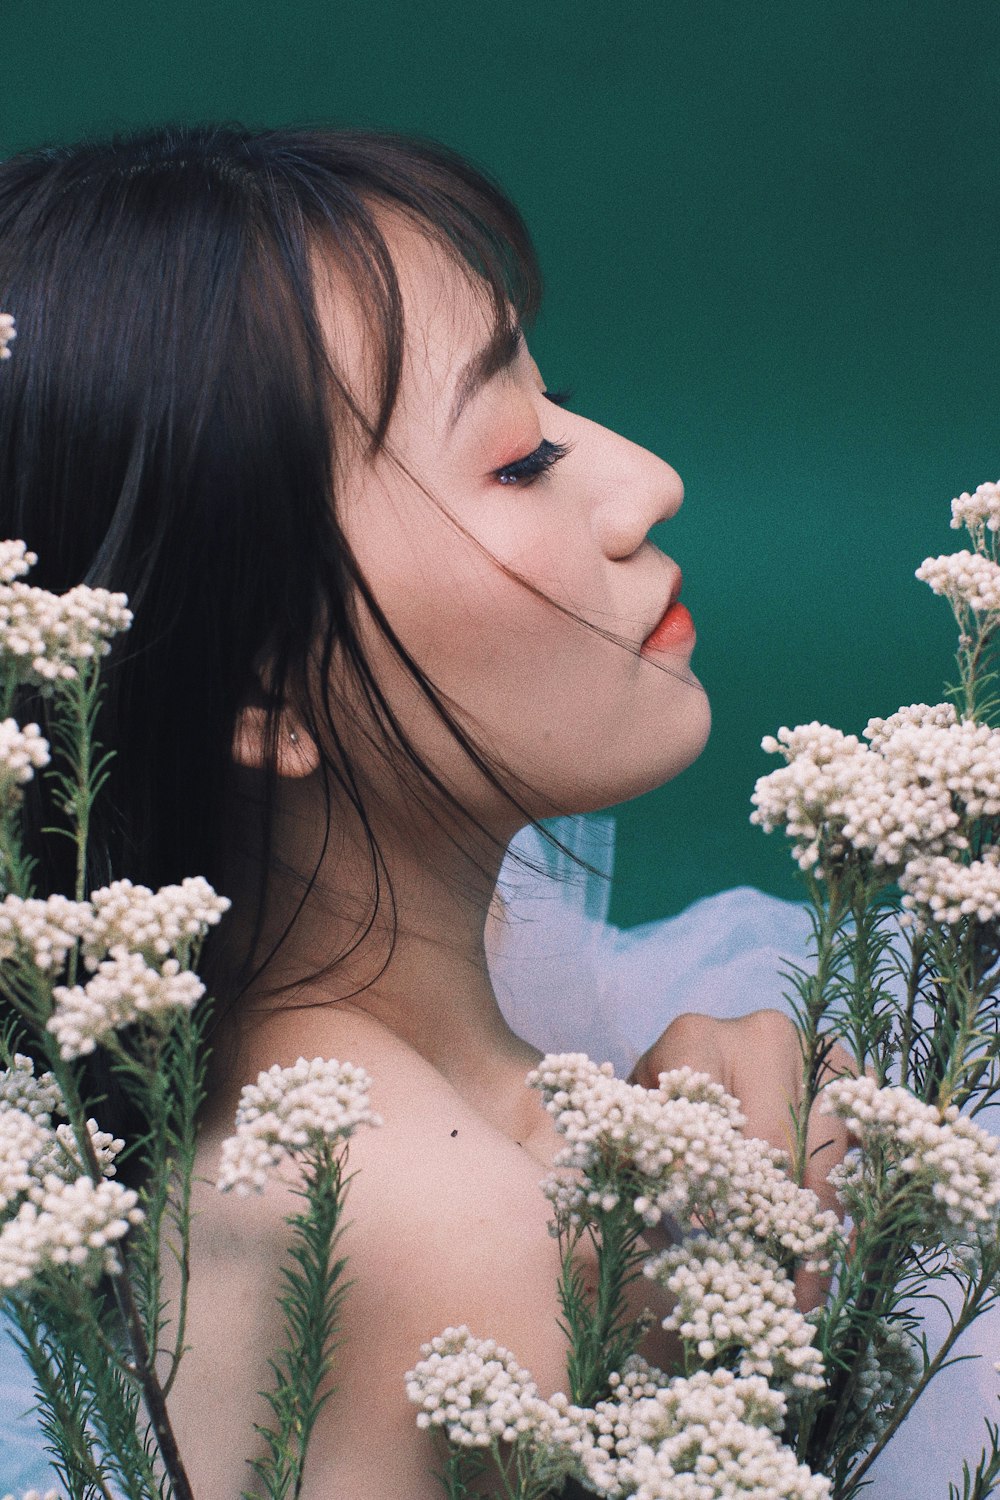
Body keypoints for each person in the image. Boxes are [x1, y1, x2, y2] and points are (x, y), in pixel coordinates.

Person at [0, 123, 876, 1497]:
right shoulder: (411, 1224)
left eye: (558, 404)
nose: (645, 482)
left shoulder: (401, 1119)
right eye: (521, 456)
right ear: (261, 688)